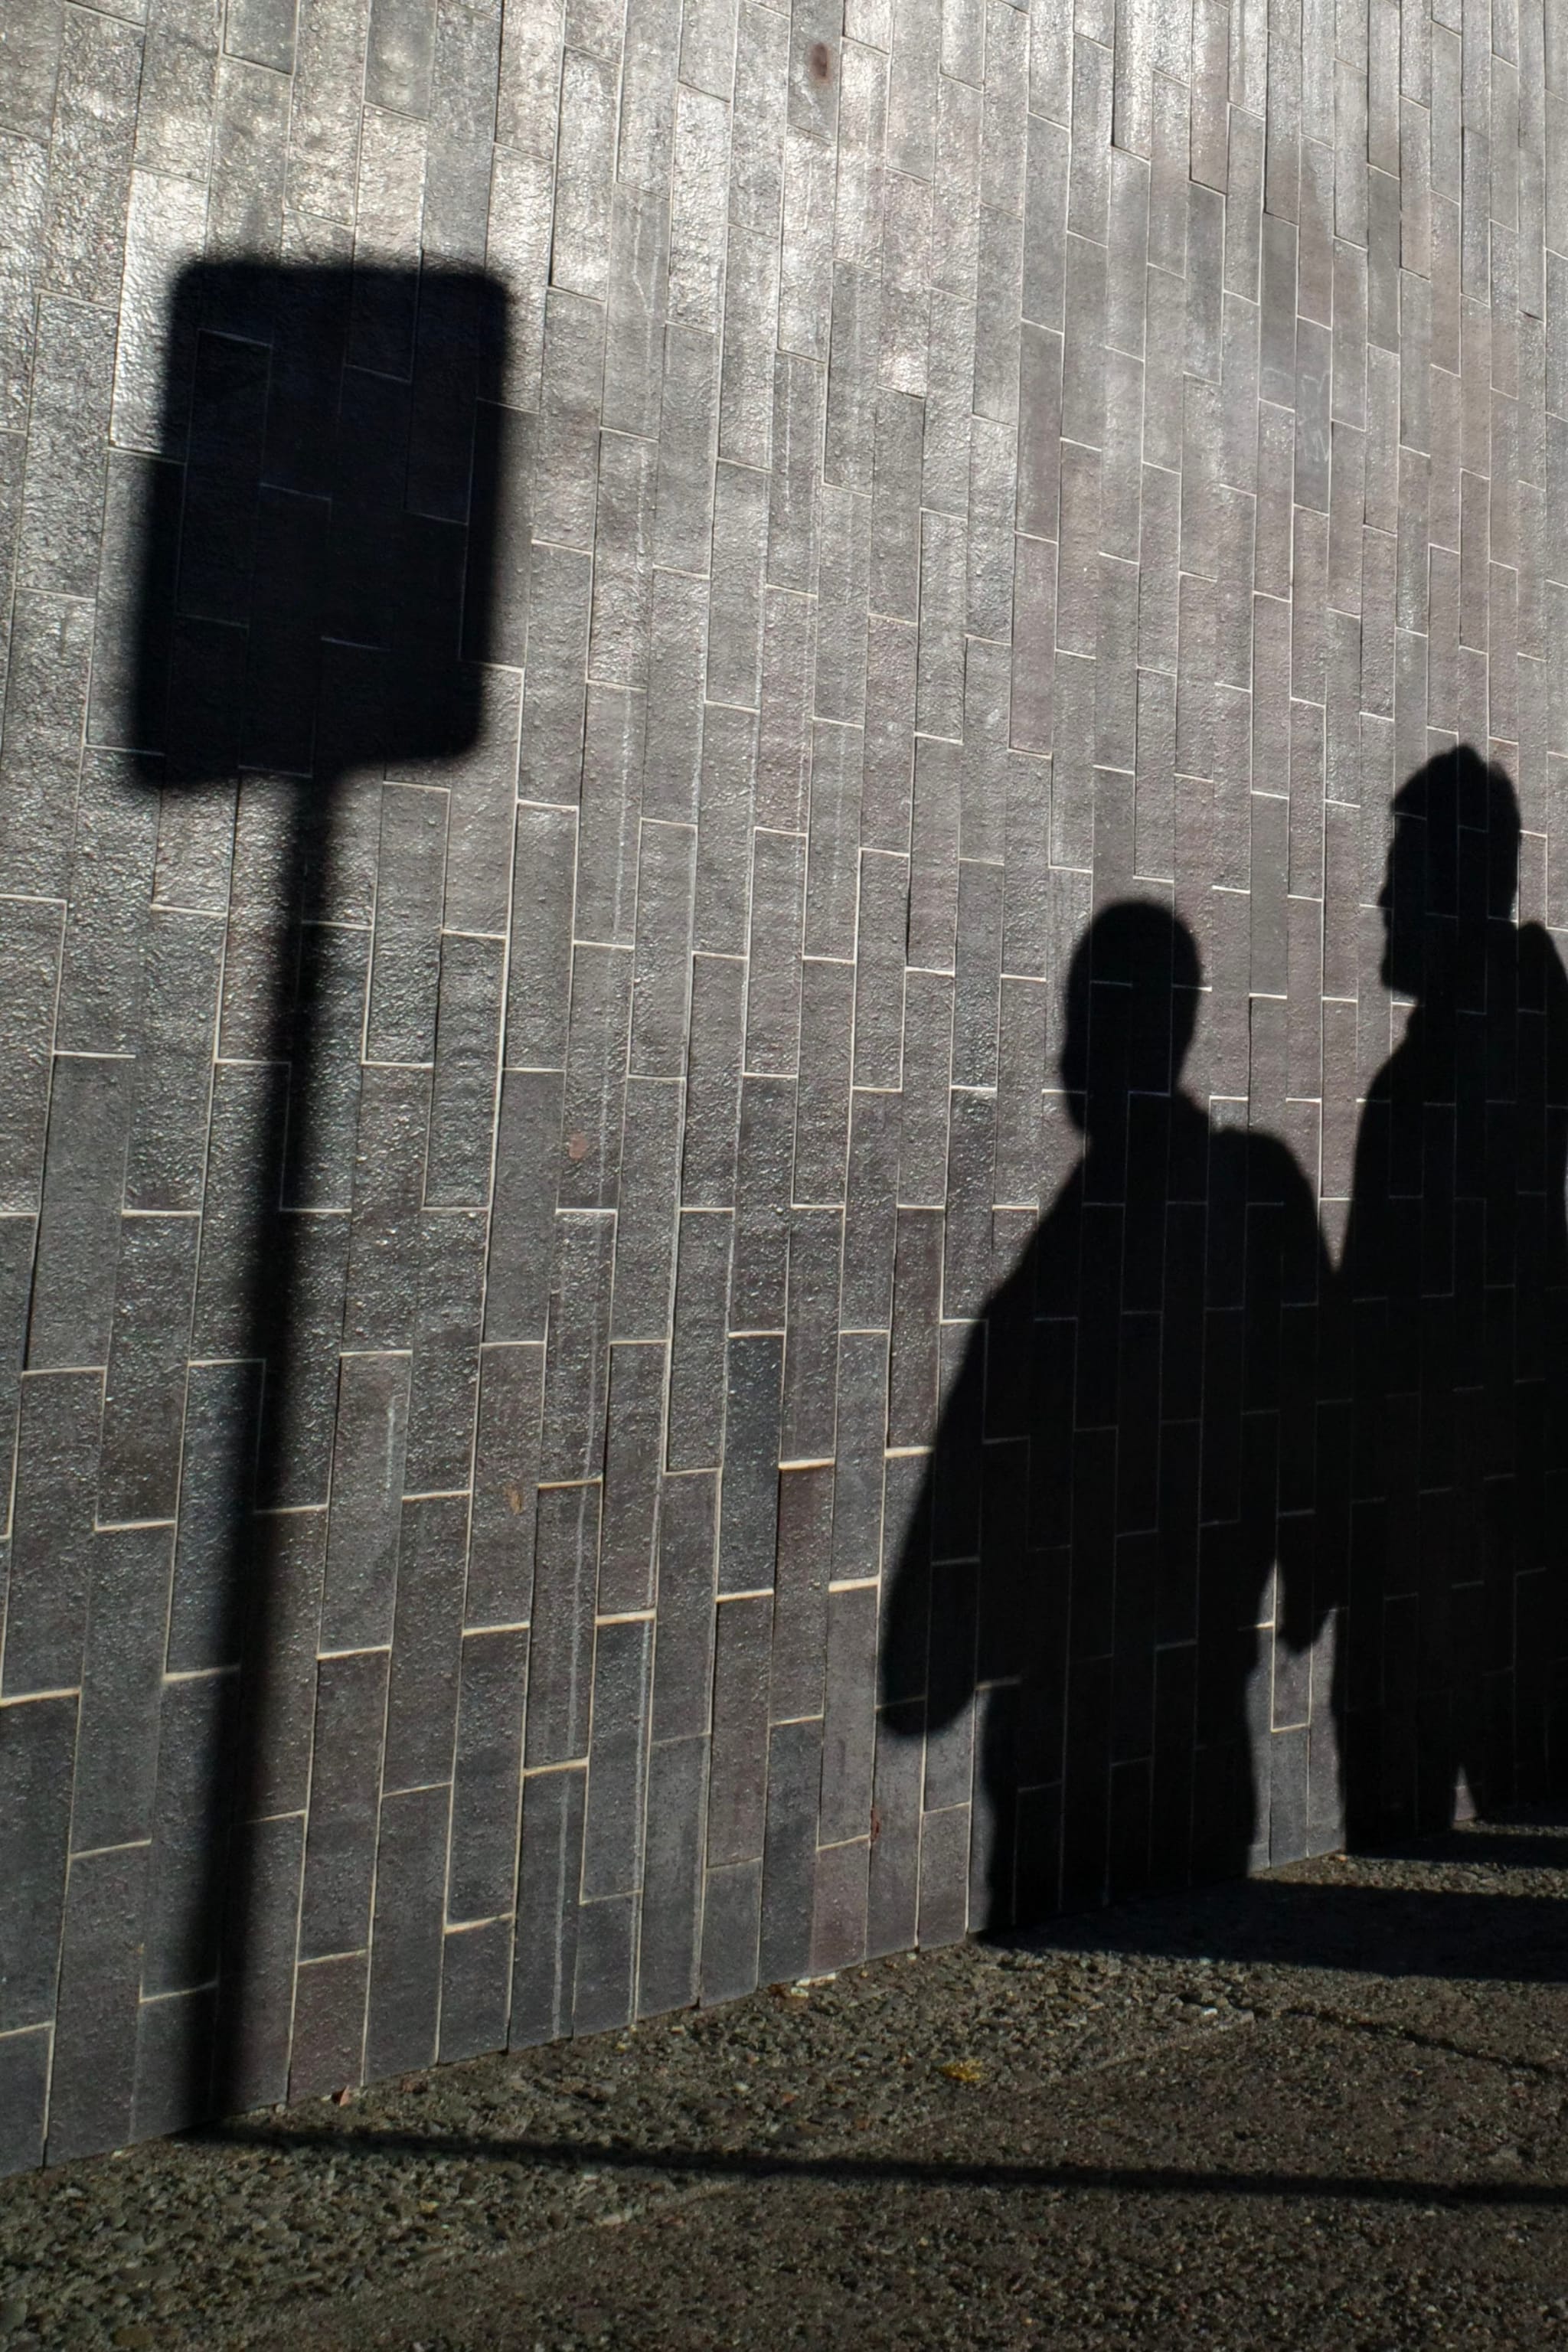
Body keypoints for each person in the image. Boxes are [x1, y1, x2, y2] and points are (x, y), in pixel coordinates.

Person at [882, 899, 1329, 1929]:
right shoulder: (1235, 1199)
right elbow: (1312, 1388)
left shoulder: (1099, 1239)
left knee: (1084, 1908)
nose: (1069, 1057)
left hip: (1084, 1691)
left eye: (1088, 1022)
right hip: (1174, 1674)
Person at [1325, 749, 1568, 1843]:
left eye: (1406, 864)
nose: (1383, 895)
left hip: (1459, 1476)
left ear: (1464, 877)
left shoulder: (1482, 1056)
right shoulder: (1504, 1035)